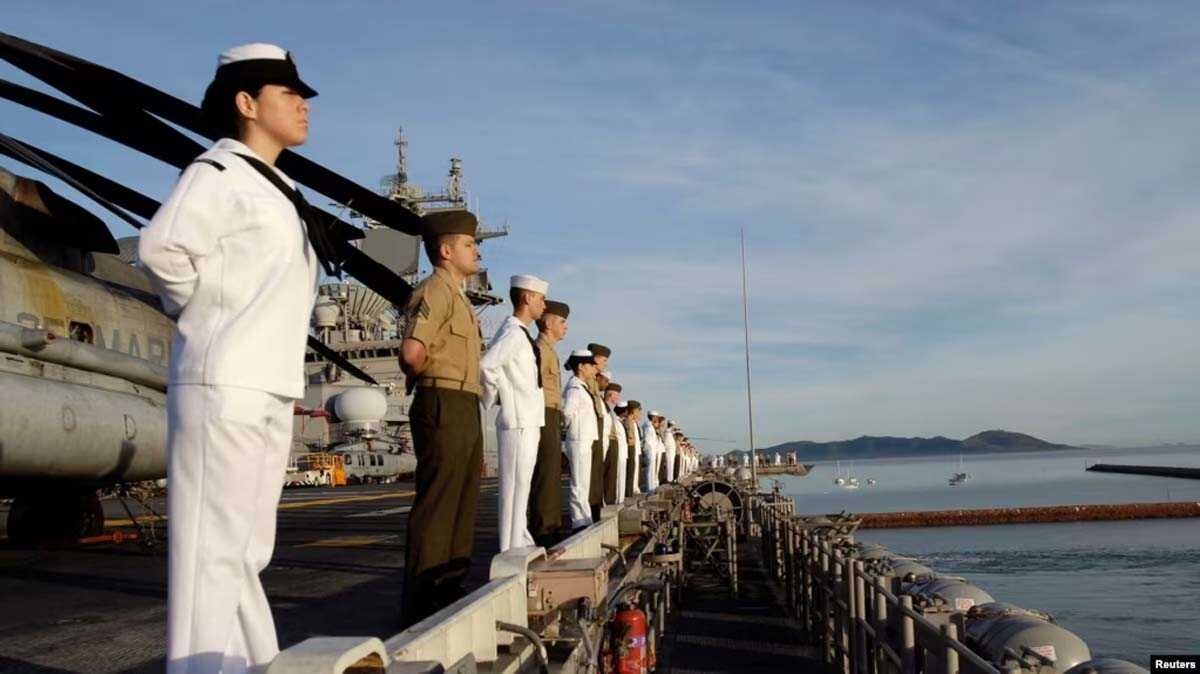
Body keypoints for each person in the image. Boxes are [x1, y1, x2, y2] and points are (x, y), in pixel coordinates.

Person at [139, 42, 325, 674]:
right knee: (209, 556)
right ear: (247, 103)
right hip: (225, 379)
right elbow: (162, 248)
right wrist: (212, 317)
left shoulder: (275, 187)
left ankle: (249, 664)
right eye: (289, 95)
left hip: (266, 384)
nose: (303, 106)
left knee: (245, 551)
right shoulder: (215, 173)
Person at [397, 208, 483, 627]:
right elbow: (412, 352)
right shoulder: (436, 291)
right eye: (469, 244)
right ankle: (420, 598)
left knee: (464, 497)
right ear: (446, 250)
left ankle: (447, 585)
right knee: (439, 500)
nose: (476, 250)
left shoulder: (458, 296)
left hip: (465, 403)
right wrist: (426, 376)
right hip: (443, 400)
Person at [481, 275, 548, 552]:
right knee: (513, 488)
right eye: (541, 298)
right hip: (518, 420)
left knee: (522, 486)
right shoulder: (512, 333)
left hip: (527, 420)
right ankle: (510, 547)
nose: (544, 305)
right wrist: (501, 399)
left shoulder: (521, 334)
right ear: (527, 298)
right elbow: (486, 366)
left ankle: (519, 540)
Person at [529, 300, 569, 544]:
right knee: (545, 471)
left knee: (552, 472)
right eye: (562, 322)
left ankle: (551, 524)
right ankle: (543, 529)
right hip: (541, 412)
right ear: (547, 322)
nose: (566, 327)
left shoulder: (550, 350)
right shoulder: (539, 350)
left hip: (551, 412)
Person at [561, 349, 599, 530]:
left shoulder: (582, 387)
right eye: (591, 365)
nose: (594, 369)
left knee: (583, 483)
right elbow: (567, 413)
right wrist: (568, 431)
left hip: (584, 439)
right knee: (578, 483)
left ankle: (585, 519)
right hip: (578, 439)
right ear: (581, 366)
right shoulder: (575, 388)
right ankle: (578, 521)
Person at [585, 345, 611, 520]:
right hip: (587, 433)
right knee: (585, 479)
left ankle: (594, 510)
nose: (605, 363)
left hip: (596, 433)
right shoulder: (587, 381)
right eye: (603, 359)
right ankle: (585, 515)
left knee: (595, 476)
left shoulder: (592, 381)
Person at [605, 383, 627, 504]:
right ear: (609, 395)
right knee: (611, 478)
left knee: (615, 478)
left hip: (617, 450)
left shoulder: (611, 413)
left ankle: (616, 500)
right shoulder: (607, 411)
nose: (618, 399)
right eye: (616, 395)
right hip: (609, 447)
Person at [623, 401, 643, 497]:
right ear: (634, 411)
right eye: (638, 411)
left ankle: (633, 489)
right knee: (631, 472)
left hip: (636, 450)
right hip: (631, 449)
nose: (640, 413)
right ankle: (629, 492)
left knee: (635, 471)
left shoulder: (634, 423)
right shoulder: (628, 421)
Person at [642, 410, 664, 492]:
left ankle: (652, 487)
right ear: (653, 417)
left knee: (652, 470)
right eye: (657, 417)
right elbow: (648, 440)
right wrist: (650, 450)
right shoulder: (648, 426)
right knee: (650, 470)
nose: (658, 419)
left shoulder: (651, 426)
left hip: (653, 451)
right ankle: (649, 488)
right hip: (650, 451)